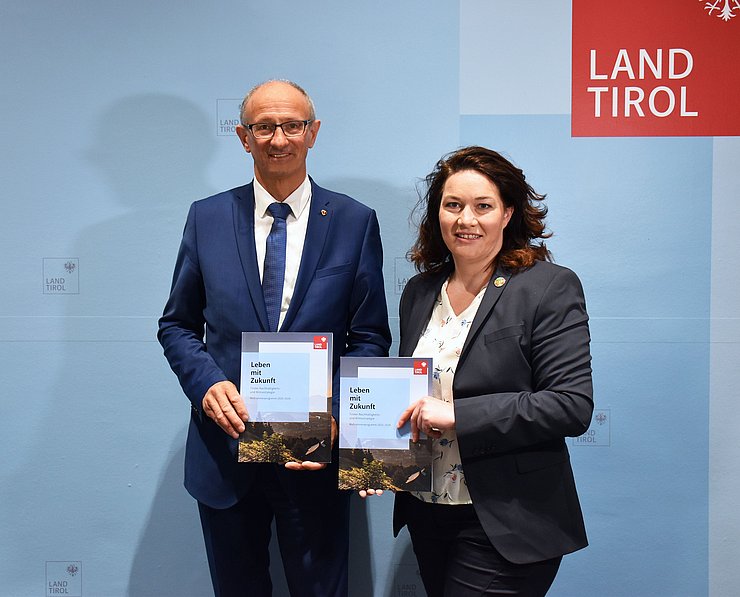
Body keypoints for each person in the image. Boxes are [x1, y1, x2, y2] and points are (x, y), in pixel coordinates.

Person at [157, 80, 391, 597]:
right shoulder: (208, 217)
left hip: (314, 452)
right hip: (225, 451)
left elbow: (370, 336)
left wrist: (339, 414)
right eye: (263, 127)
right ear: (243, 137)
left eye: (292, 125)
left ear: (313, 133)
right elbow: (176, 324)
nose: (278, 138)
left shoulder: (354, 221)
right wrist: (206, 384)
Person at [392, 146, 593, 597]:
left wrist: (458, 415)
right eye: (453, 205)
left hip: (508, 518)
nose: (466, 219)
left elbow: (571, 406)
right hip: (428, 509)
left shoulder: (548, 287)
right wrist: (377, 461)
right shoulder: (420, 291)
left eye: (483, 206)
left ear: (508, 213)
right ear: (436, 213)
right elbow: (413, 396)